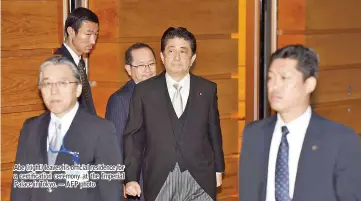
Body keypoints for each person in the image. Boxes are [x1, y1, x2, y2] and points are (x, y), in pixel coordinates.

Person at [239, 44, 361, 201]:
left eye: (284, 78)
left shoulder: (340, 140)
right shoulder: (254, 134)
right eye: (271, 78)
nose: (274, 86)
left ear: (309, 84)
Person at [123, 27, 225, 201]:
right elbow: (134, 136)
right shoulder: (144, 91)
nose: (177, 57)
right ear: (162, 57)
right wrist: (130, 177)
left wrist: (218, 169)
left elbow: (214, 131)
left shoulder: (207, 89)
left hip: (200, 177)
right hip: (160, 178)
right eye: (171, 51)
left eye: (183, 51)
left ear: (192, 58)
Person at [10, 56, 122, 201]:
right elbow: (20, 187)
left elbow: (111, 192)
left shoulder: (101, 130)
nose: (54, 90)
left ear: (78, 89)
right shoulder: (30, 128)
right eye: (47, 83)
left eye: (62, 83)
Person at [105, 43, 157, 201]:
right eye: (141, 65)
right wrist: (124, 181)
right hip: (138, 182)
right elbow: (115, 147)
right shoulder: (120, 100)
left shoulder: (164, 93)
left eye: (151, 64)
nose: (148, 70)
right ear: (128, 69)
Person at [54, 7, 99, 115]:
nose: (93, 41)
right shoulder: (59, 64)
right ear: (71, 31)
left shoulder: (79, 61)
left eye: (96, 34)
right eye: (88, 34)